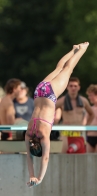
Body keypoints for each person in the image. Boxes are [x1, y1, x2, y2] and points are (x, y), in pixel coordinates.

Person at [25, 42, 89, 187]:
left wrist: (39, 178)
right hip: (39, 91)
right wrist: (31, 175)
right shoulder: (28, 134)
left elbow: (45, 158)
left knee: (68, 69)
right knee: (59, 68)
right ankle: (73, 50)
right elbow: (28, 157)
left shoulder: (43, 135)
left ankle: (82, 50)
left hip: (50, 94)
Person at [55, 77, 94, 153]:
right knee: (65, 154)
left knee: (80, 156)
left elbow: (92, 114)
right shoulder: (62, 100)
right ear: (67, 87)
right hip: (66, 132)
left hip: (79, 132)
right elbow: (50, 109)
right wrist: (55, 123)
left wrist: (87, 126)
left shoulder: (83, 100)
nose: (73, 88)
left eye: (75, 86)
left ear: (79, 87)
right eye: (71, 86)